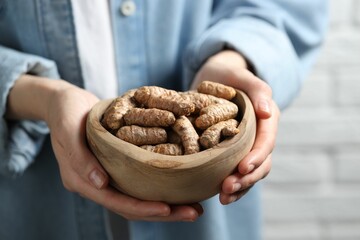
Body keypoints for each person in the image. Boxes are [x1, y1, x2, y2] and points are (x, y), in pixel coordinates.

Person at [0, 1, 327, 240]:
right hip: (37, 202)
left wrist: (232, 57)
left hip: (207, 202)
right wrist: (41, 96)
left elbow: (284, 9)